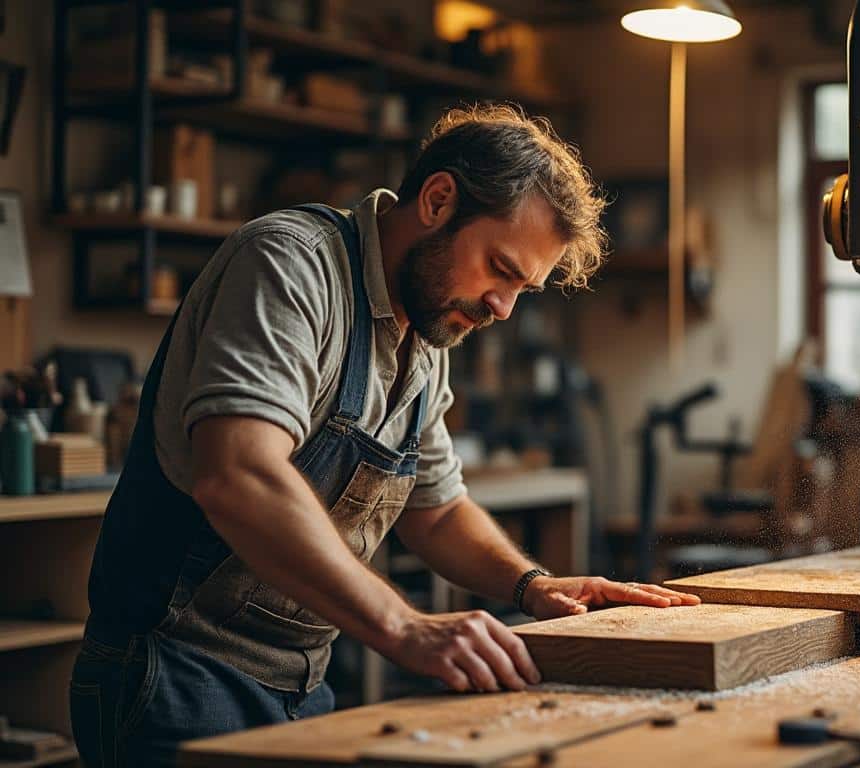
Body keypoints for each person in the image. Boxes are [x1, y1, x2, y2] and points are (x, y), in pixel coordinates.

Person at [70, 105, 701, 767]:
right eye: (499, 268)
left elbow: (438, 510)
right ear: (437, 200)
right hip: (172, 674)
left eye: (523, 289)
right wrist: (406, 627)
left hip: (301, 680)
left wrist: (533, 584)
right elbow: (239, 474)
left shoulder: (426, 333)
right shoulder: (293, 264)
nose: (502, 307)